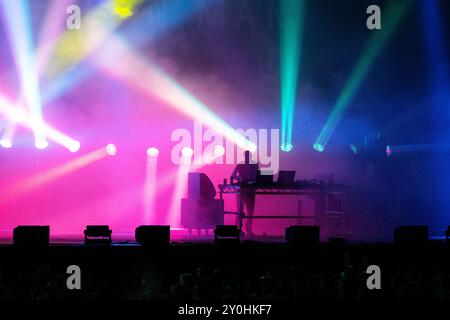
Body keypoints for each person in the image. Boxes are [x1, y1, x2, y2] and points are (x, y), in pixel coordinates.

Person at [230, 150, 258, 237]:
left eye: (248, 156)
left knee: (250, 211)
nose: (247, 158)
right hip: (242, 190)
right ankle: (238, 230)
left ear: (250, 156)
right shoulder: (240, 165)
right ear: (244, 156)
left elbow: (258, 175)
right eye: (246, 156)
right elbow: (233, 175)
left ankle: (249, 230)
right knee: (240, 211)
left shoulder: (255, 165)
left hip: (251, 189)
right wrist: (240, 179)